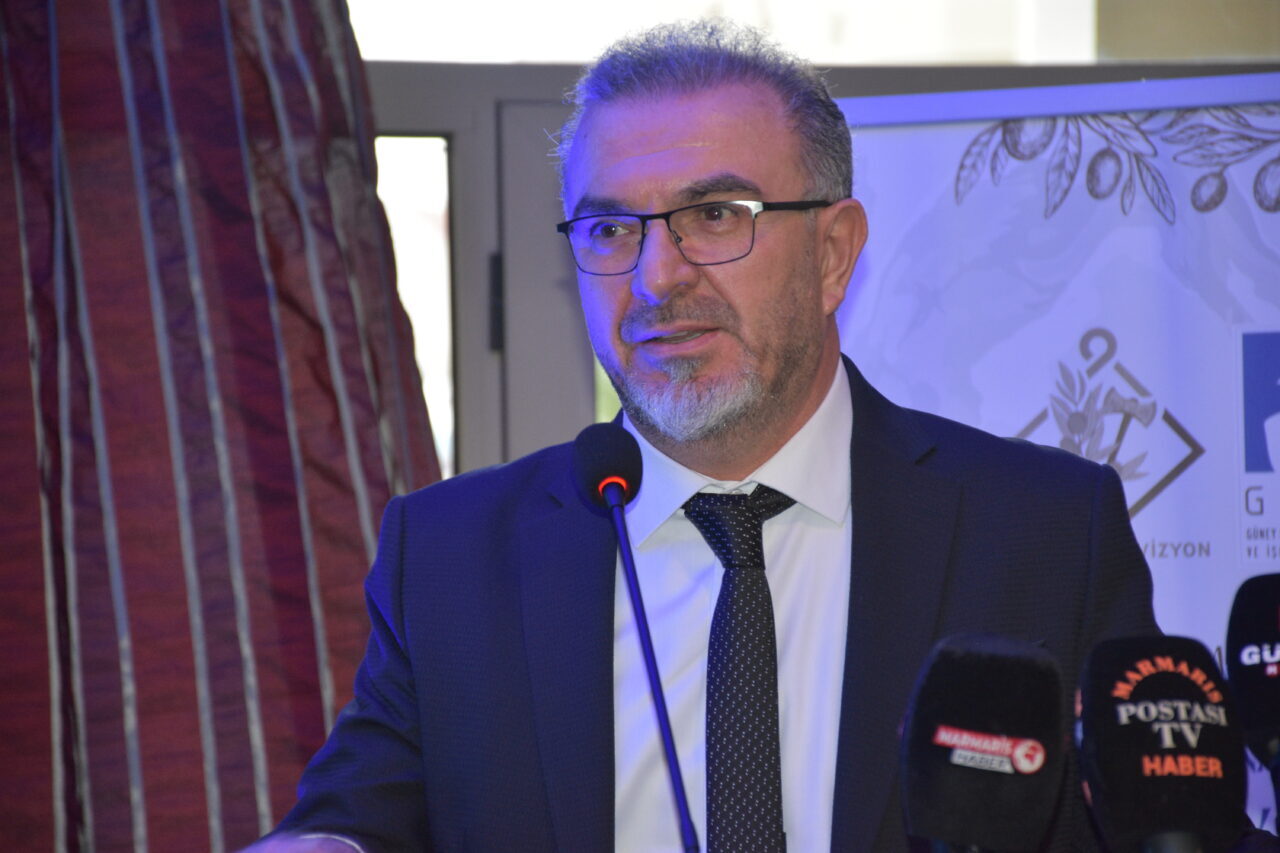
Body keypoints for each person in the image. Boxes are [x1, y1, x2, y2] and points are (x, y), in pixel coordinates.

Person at [248, 20, 1246, 852]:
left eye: (715, 214)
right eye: (610, 229)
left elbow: (1168, 819)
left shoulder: (1043, 533)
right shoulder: (452, 555)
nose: (655, 278)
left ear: (833, 253)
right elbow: (351, 822)